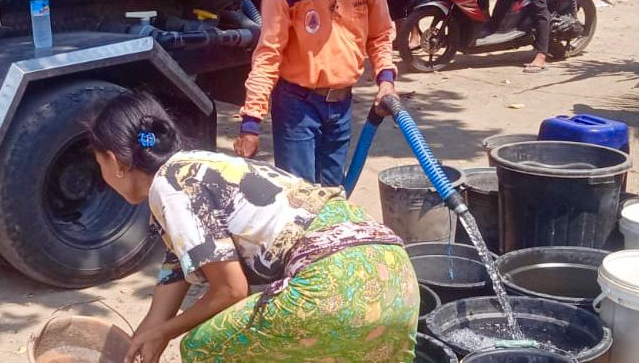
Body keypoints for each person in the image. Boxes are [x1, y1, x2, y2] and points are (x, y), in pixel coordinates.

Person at [87, 90, 419, 363]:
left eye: (98, 162)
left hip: (337, 285)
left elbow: (230, 291)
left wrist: (166, 332)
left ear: (115, 162)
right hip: (393, 279)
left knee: (202, 347)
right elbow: (165, 299)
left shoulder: (171, 187)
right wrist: (145, 340)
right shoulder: (198, 169)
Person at [234, 0, 398, 186]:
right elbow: (268, 54)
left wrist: (386, 82)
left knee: (333, 194)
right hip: (297, 106)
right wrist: (251, 122)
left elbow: (380, 35)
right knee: (300, 196)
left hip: (343, 104)